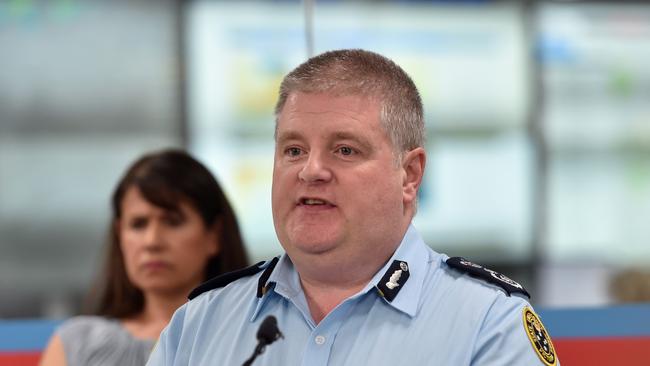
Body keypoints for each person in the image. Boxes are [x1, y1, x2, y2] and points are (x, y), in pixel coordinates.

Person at [147, 50, 559, 365]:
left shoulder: (488, 321)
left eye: (344, 150)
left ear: (410, 175)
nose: (311, 171)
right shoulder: (198, 324)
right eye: (293, 149)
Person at [40, 149, 249, 366]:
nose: (152, 241)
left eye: (172, 221)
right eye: (138, 224)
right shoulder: (76, 343)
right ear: (120, 234)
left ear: (214, 235)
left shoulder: (254, 337)